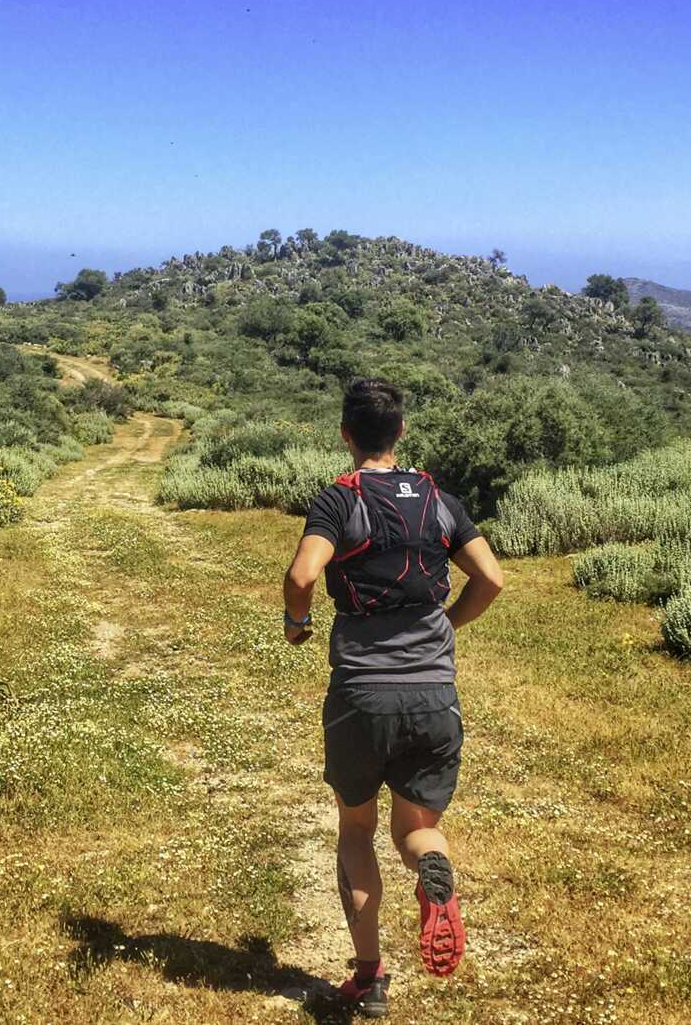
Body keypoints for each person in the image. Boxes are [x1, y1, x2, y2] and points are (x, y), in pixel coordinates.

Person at [281, 378, 505, 1017]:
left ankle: (370, 977)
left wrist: (298, 624)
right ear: (400, 432)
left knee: (357, 828)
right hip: (433, 692)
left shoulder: (339, 501)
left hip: (363, 693)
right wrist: (446, 626)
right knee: (416, 831)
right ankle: (433, 880)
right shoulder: (438, 499)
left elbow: (303, 574)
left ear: (346, 434)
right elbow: (490, 579)